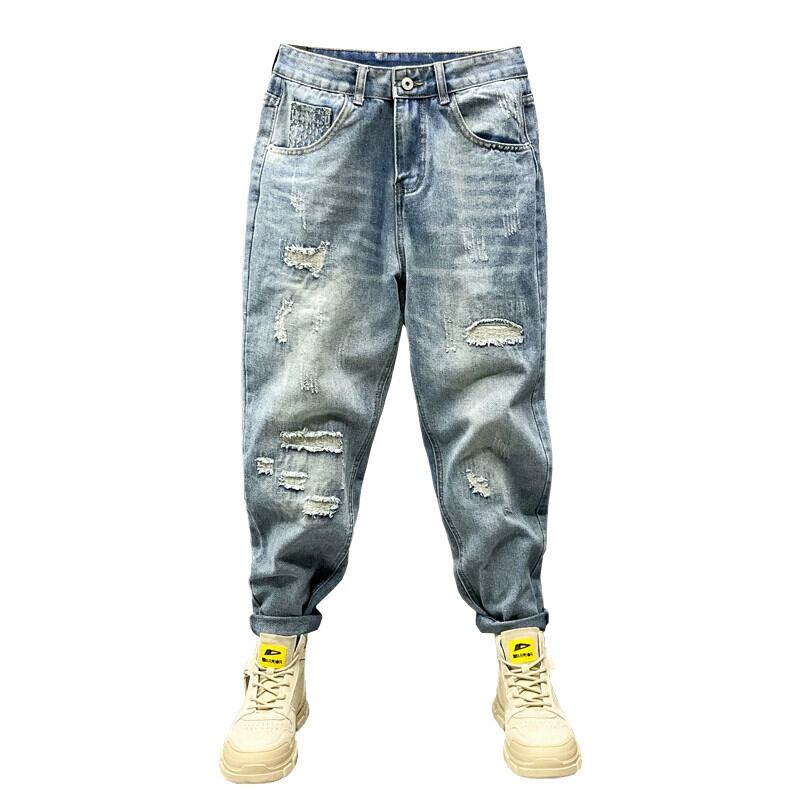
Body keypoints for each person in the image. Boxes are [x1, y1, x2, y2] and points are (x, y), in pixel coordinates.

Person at [219, 43, 581, 782]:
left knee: (490, 395)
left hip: (477, 109)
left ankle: (519, 641)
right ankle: (278, 645)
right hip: (322, 109)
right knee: (302, 392)